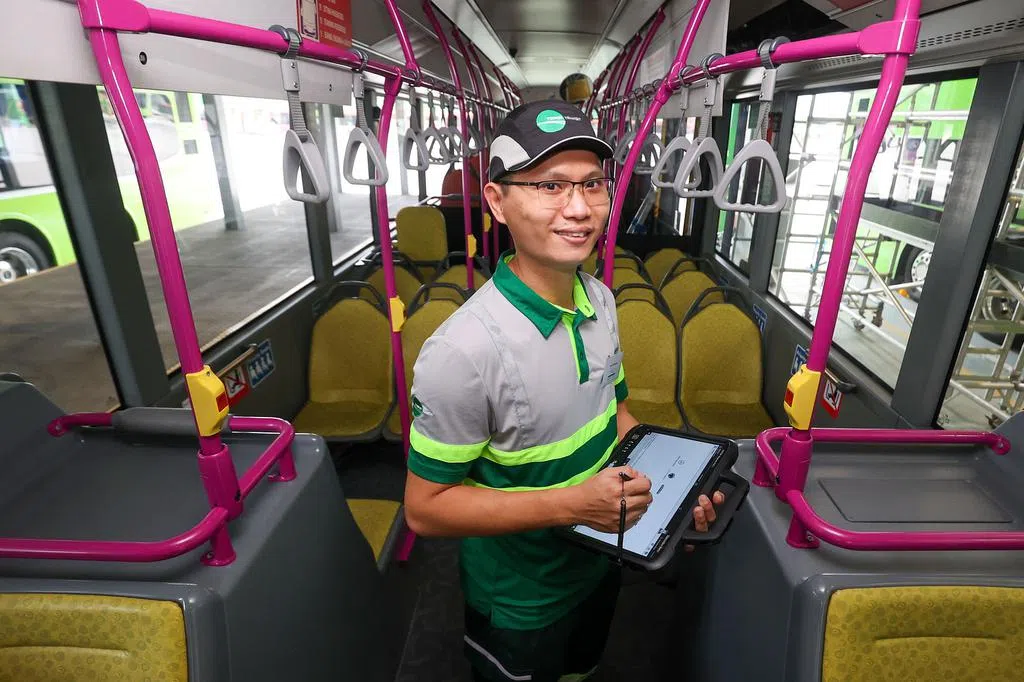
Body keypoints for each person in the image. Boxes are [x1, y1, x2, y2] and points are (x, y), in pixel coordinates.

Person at [403, 99, 726, 682]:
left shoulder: (600, 299)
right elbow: (425, 510)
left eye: (592, 184)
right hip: (521, 602)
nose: (579, 209)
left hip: (603, 560)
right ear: (497, 201)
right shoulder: (461, 352)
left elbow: (616, 413)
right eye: (550, 186)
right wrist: (575, 505)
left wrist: (671, 492)